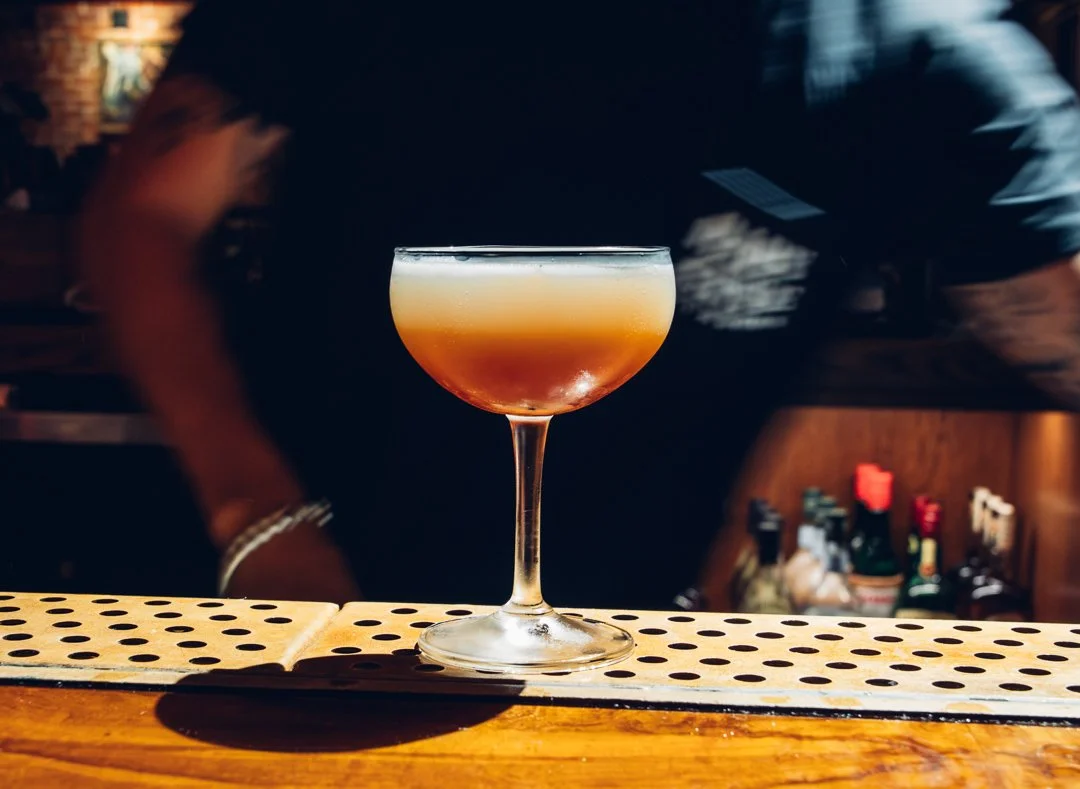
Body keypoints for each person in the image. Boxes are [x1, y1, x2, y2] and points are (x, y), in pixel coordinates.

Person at [79, 0, 1080, 608]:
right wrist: (257, 514)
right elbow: (146, 220)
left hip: (614, 635)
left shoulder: (914, 52)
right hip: (298, 584)